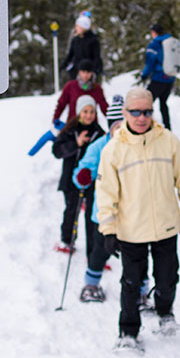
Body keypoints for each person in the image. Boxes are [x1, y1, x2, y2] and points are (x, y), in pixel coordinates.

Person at [95, 86, 180, 350]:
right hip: (131, 229)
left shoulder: (169, 141)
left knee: (167, 278)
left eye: (147, 112)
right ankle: (128, 332)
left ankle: (165, 313)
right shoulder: (113, 149)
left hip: (166, 225)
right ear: (125, 113)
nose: (141, 118)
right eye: (135, 112)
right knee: (131, 282)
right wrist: (108, 229)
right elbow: (105, 193)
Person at [73, 94, 126, 302]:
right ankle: (91, 284)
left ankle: (140, 288)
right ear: (110, 127)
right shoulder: (99, 146)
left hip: (132, 209)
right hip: (103, 211)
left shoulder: (138, 145)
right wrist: (83, 176)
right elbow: (81, 172)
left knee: (136, 251)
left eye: (124, 126)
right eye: (116, 127)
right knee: (100, 249)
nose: (120, 131)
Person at [51, 95, 105, 254]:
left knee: (91, 216)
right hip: (71, 180)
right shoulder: (69, 130)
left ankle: (93, 251)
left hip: (92, 180)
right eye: (85, 111)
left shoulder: (99, 133)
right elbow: (57, 151)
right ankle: (66, 241)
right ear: (78, 112)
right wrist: (76, 144)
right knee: (71, 211)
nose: (89, 115)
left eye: (92, 112)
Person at [139, 23, 176, 130]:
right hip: (170, 79)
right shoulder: (169, 42)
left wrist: (144, 75)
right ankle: (168, 127)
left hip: (158, 79)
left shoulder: (154, 44)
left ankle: (145, 125)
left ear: (154, 33)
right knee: (163, 103)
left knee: (147, 102)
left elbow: (150, 62)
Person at [53, 59, 108, 124]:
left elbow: (104, 107)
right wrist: (55, 119)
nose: (85, 75)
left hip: (91, 126)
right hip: (73, 125)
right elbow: (61, 104)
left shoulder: (97, 89)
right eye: (83, 71)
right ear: (79, 72)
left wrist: (114, 122)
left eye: (88, 72)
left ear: (92, 73)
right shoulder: (70, 86)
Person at [62, 10, 102, 81]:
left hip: (88, 72)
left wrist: (96, 71)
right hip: (76, 71)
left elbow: (96, 57)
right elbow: (70, 55)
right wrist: (63, 66)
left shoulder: (93, 40)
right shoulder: (75, 39)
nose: (76, 28)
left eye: (77, 26)